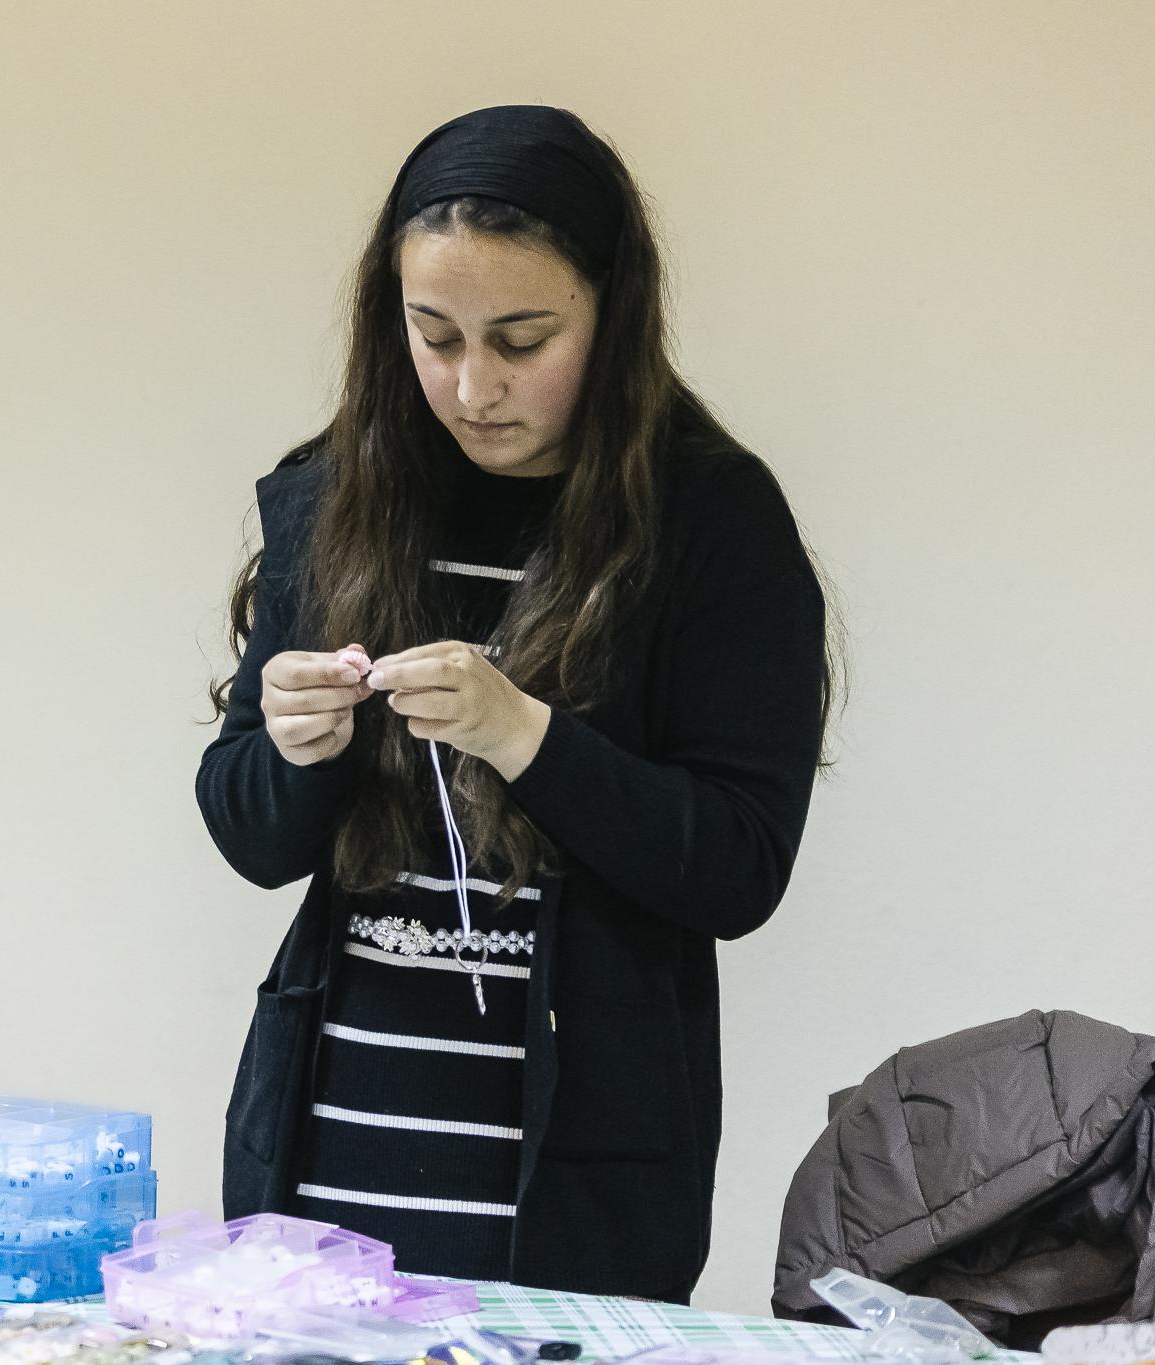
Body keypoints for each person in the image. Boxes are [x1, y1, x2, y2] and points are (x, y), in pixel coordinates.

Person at [195, 104, 841, 1300]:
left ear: (612, 314)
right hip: (324, 1171)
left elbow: (736, 869)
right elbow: (252, 839)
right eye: (432, 334)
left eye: (522, 339)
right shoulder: (334, 497)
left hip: (570, 1199)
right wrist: (290, 743)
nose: (471, 385)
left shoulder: (710, 521)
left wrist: (524, 736)